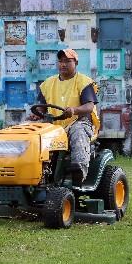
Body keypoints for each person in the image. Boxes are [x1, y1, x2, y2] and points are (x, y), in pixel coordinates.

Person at [28, 48, 100, 186]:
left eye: (67, 61)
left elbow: (89, 106)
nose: (63, 64)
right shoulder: (48, 83)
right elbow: (42, 106)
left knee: (78, 131)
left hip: (78, 122)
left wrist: (74, 110)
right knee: (27, 129)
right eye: (60, 61)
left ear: (76, 63)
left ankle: (78, 171)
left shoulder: (84, 82)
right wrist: (35, 114)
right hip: (53, 126)